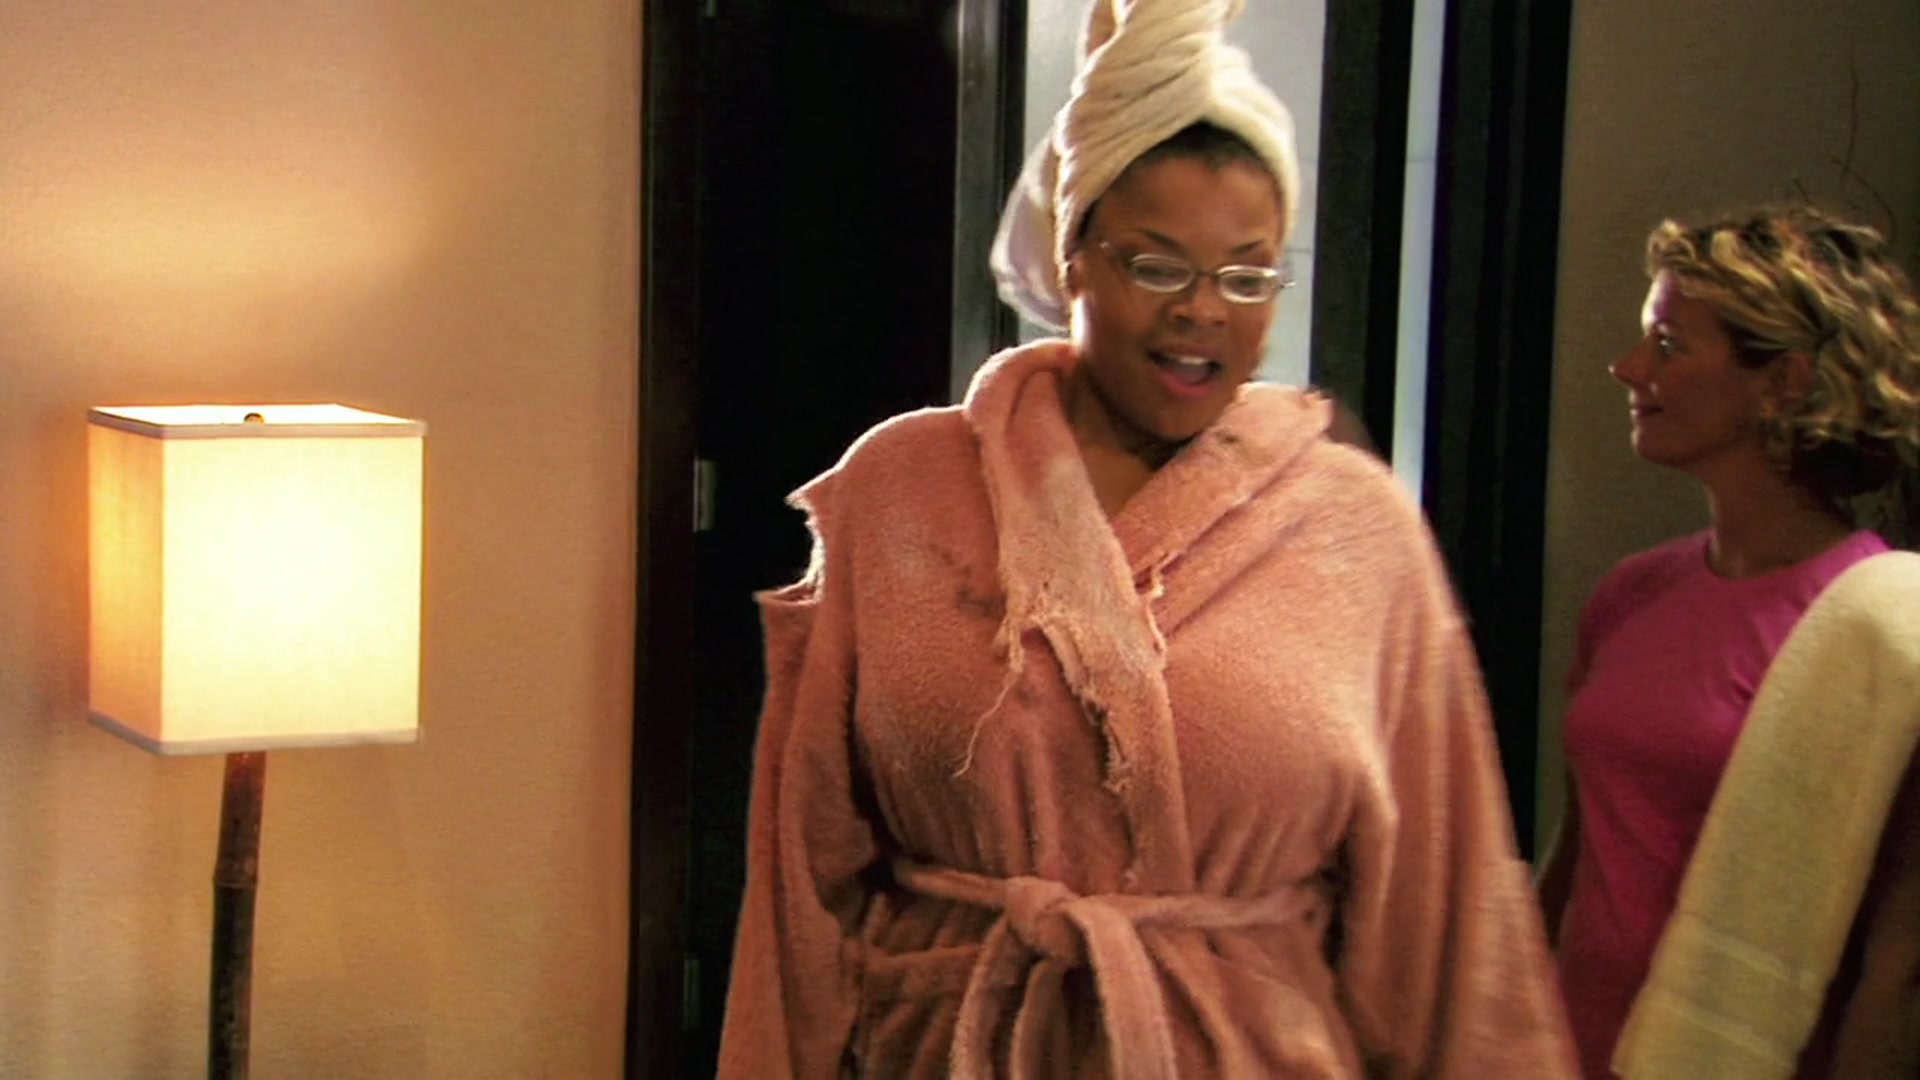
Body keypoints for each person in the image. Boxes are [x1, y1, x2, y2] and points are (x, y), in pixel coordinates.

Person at [717, 1, 1577, 1075]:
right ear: (1074, 259)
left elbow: (1445, 920)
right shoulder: (901, 491)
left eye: (1248, 275)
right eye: (1158, 267)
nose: (1203, 310)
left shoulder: (1355, 528)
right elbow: (802, 868)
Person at [1539, 204, 1920, 1078]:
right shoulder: (1631, 595)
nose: (1629, 367)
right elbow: (1577, 858)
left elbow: (1898, 962)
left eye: (1669, 345)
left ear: (1782, 382)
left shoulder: (1880, 634)